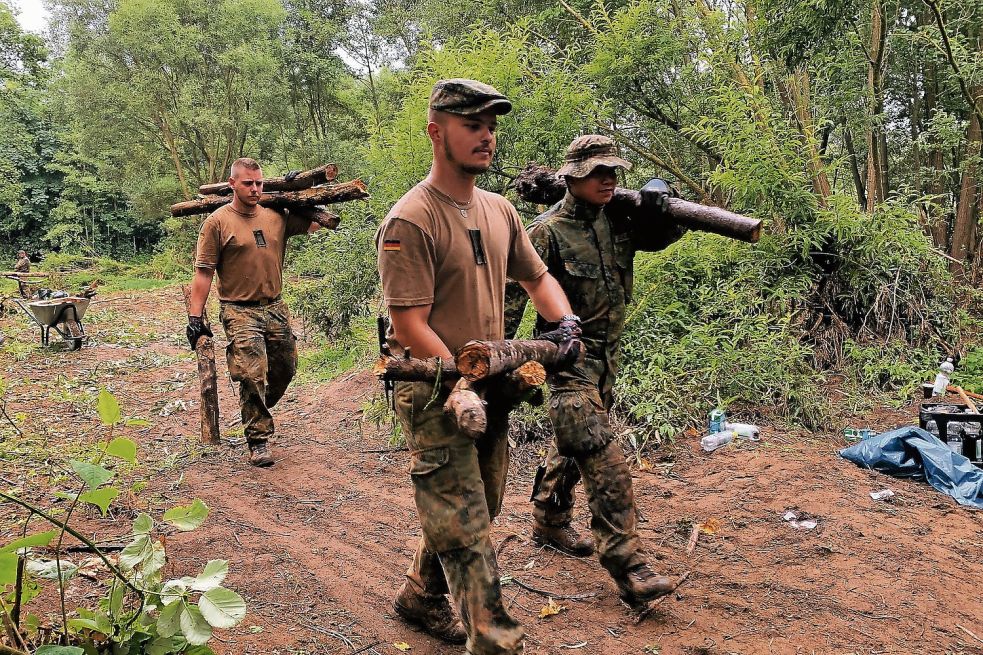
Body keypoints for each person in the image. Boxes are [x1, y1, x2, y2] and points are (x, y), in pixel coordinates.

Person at [376, 79, 579, 655]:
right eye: (473, 125)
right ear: (437, 133)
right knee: (465, 525)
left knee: (479, 504)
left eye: (492, 125)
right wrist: (460, 379)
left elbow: (536, 277)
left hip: (492, 388)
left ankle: (419, 594)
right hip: (435, 388)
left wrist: (563, 324)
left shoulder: (499, 210)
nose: (487, 136)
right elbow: (410, 323)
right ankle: (495, 641)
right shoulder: (411, 220)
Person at [504, 134, 686, 609]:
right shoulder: (544, 233)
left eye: (614, 172)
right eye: (596, 172)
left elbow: (663, 234)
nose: (608, 180)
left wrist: (658, 194)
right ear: (571, 177)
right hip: (565, 361)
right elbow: (509, 303)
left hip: (608, 359)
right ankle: (629, 565)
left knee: (578, 444)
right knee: (602, 454)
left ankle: (548, 518)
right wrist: (500, 369)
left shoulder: (616, 221)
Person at [187, 158, 320, 467]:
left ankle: (254, 405)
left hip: (275, 306)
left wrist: (297, 189)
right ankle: (258, 439)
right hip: (238, 309)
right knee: (249, 373)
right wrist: (195, 318)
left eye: (259, 183)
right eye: (248, 183)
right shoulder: (217, 222)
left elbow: (316, 221)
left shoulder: (276, 215)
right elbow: (204, 272)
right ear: (232, 183)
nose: (255, 188)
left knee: (286, 367)